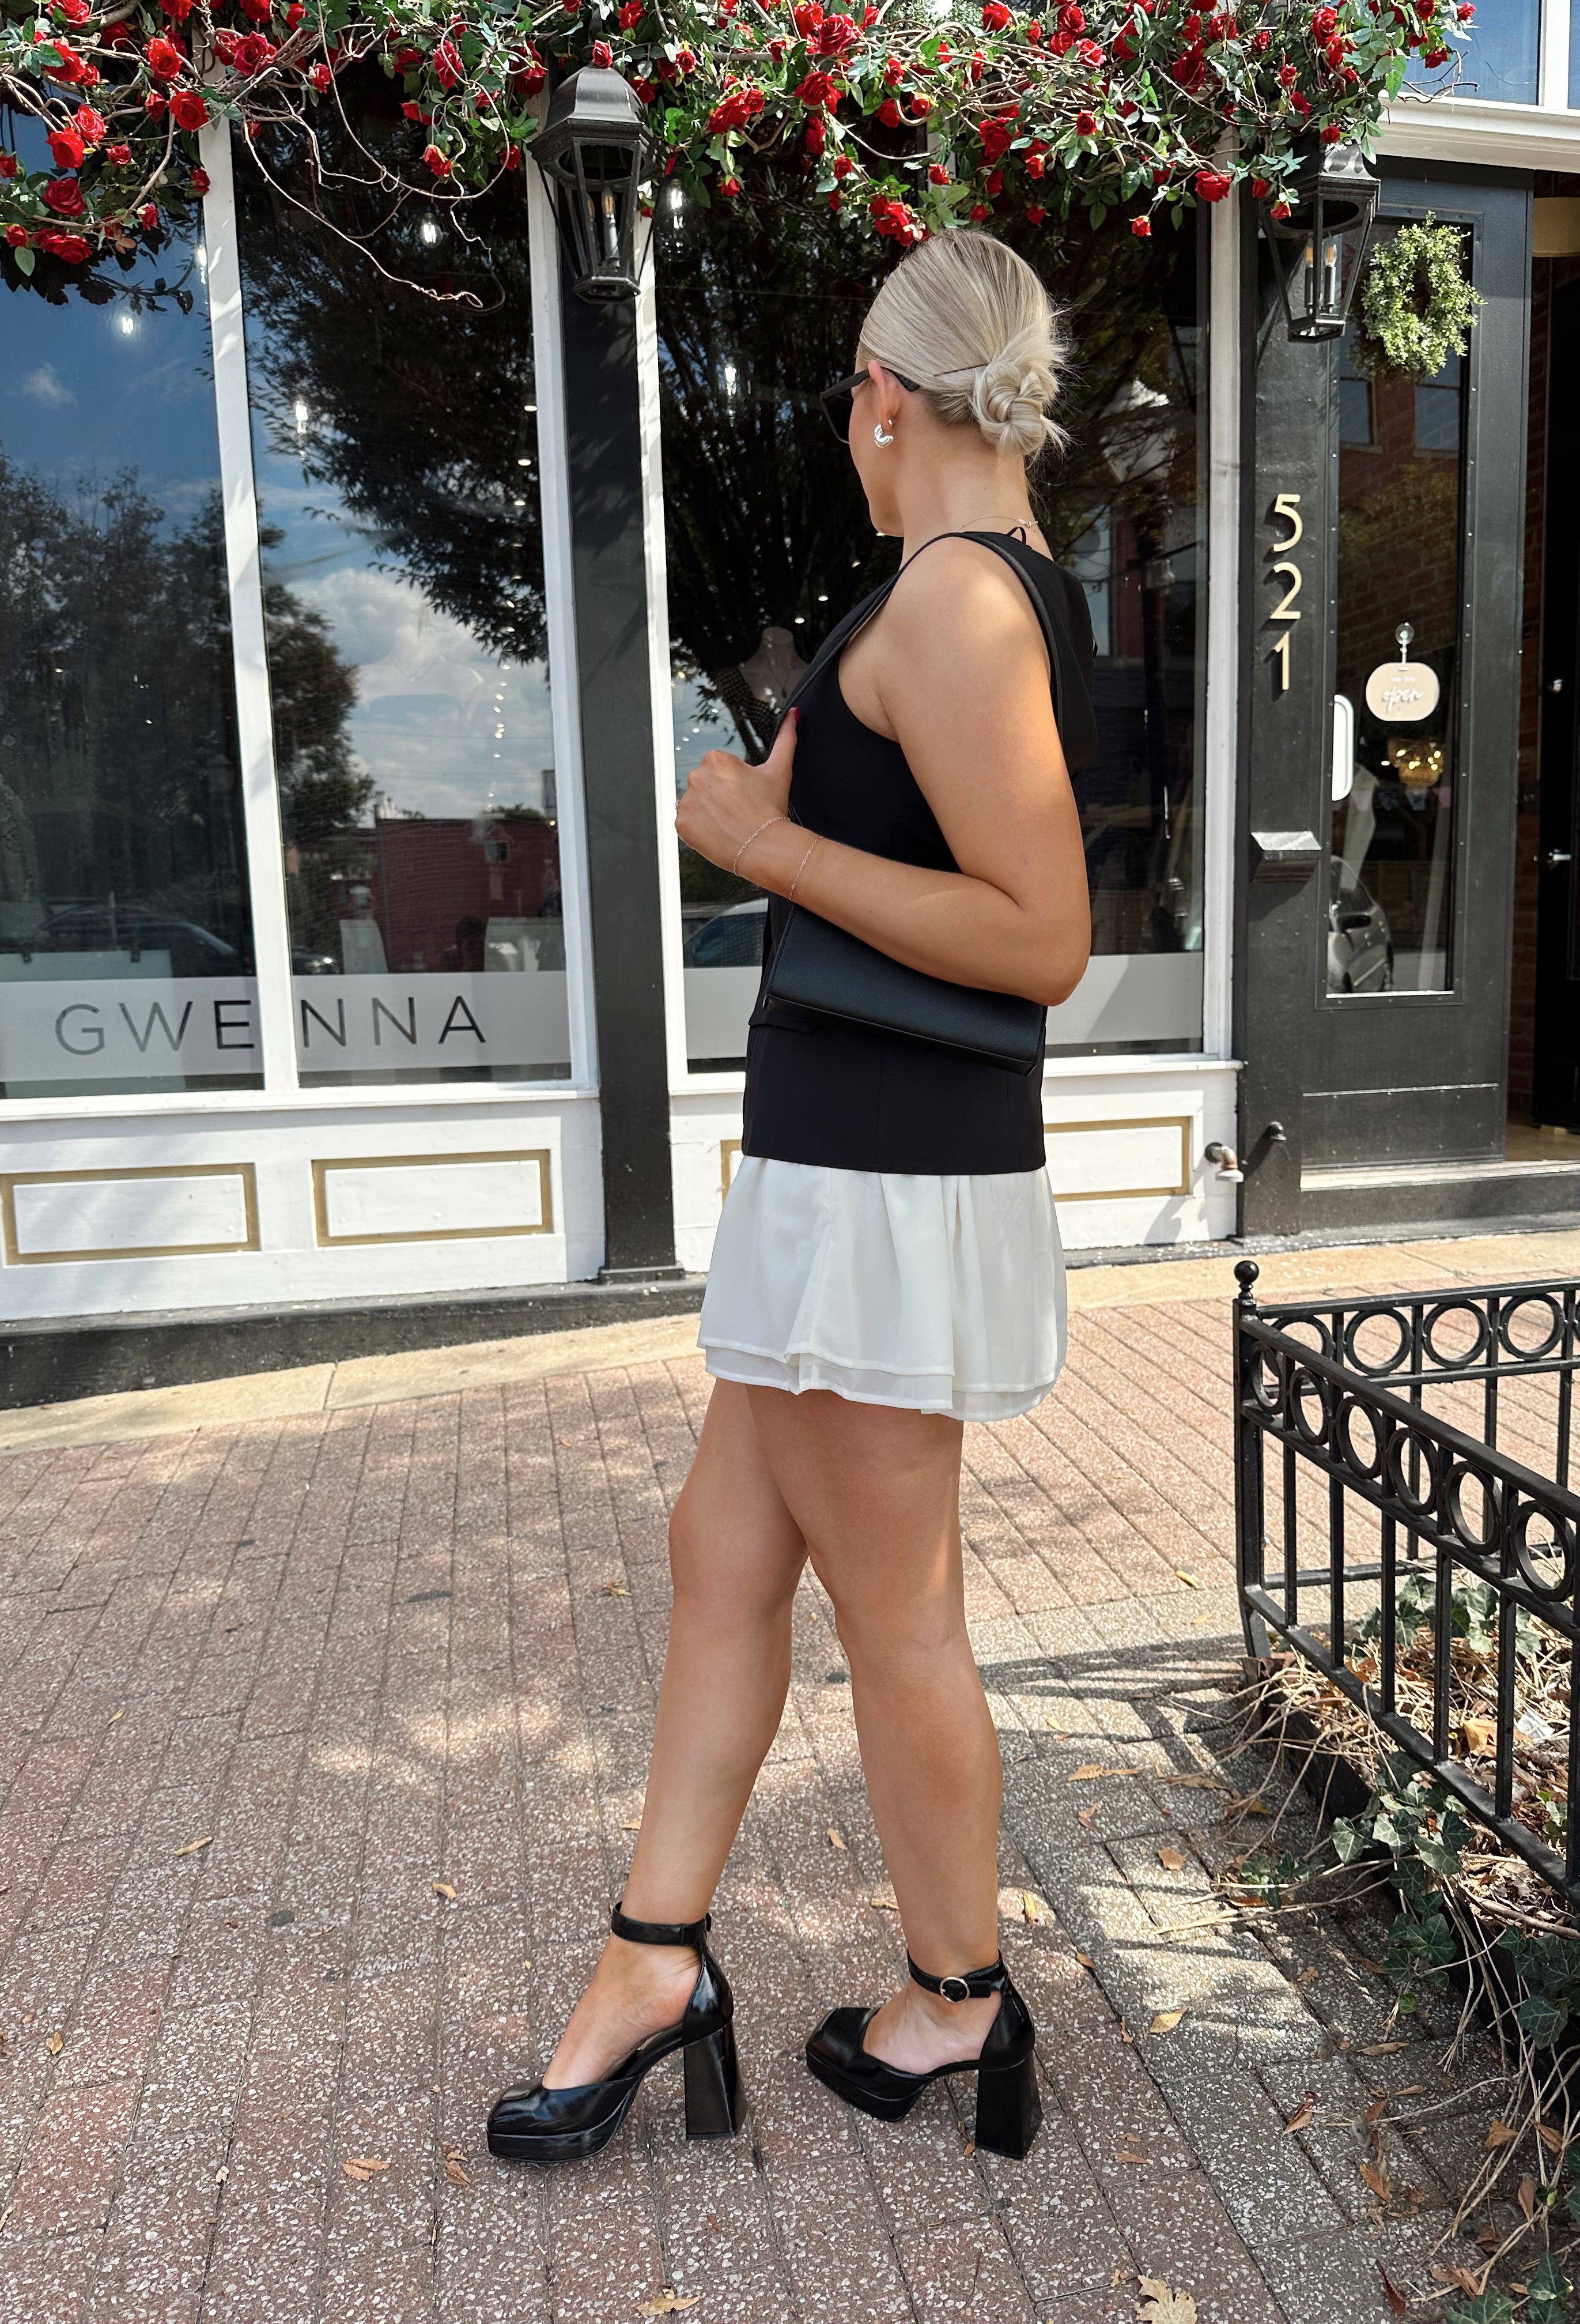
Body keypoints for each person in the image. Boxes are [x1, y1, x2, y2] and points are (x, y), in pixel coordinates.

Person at [487, 228, 1095, 2168]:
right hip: (856, 1170)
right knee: (718, 1552)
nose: (845, 428)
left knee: (897, 1613)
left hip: (883, 1184)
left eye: (847, 396)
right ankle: (654, 1960)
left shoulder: (956, 608)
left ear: (883, 399)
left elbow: (1046, 941)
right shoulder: (993, 594)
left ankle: (959, 2003)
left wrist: (757, 838)